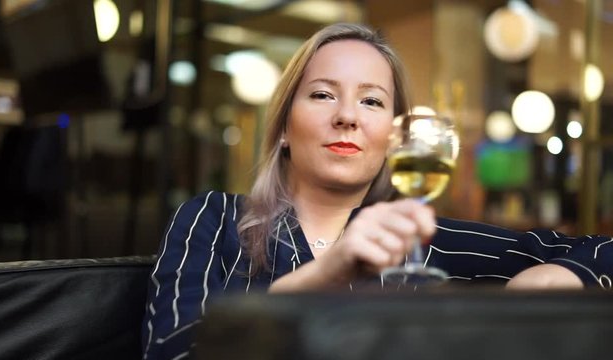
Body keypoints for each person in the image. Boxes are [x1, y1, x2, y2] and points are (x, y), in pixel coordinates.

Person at [141, 23, 613, 360]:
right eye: (323, 94)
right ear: (284, 126)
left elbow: (602, 251)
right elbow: (173, 349)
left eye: (372, 101)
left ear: (392, 135)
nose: (348, 116)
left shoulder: (425, 241)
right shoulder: (215, 217)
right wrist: (330, 270)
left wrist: (561, 275)